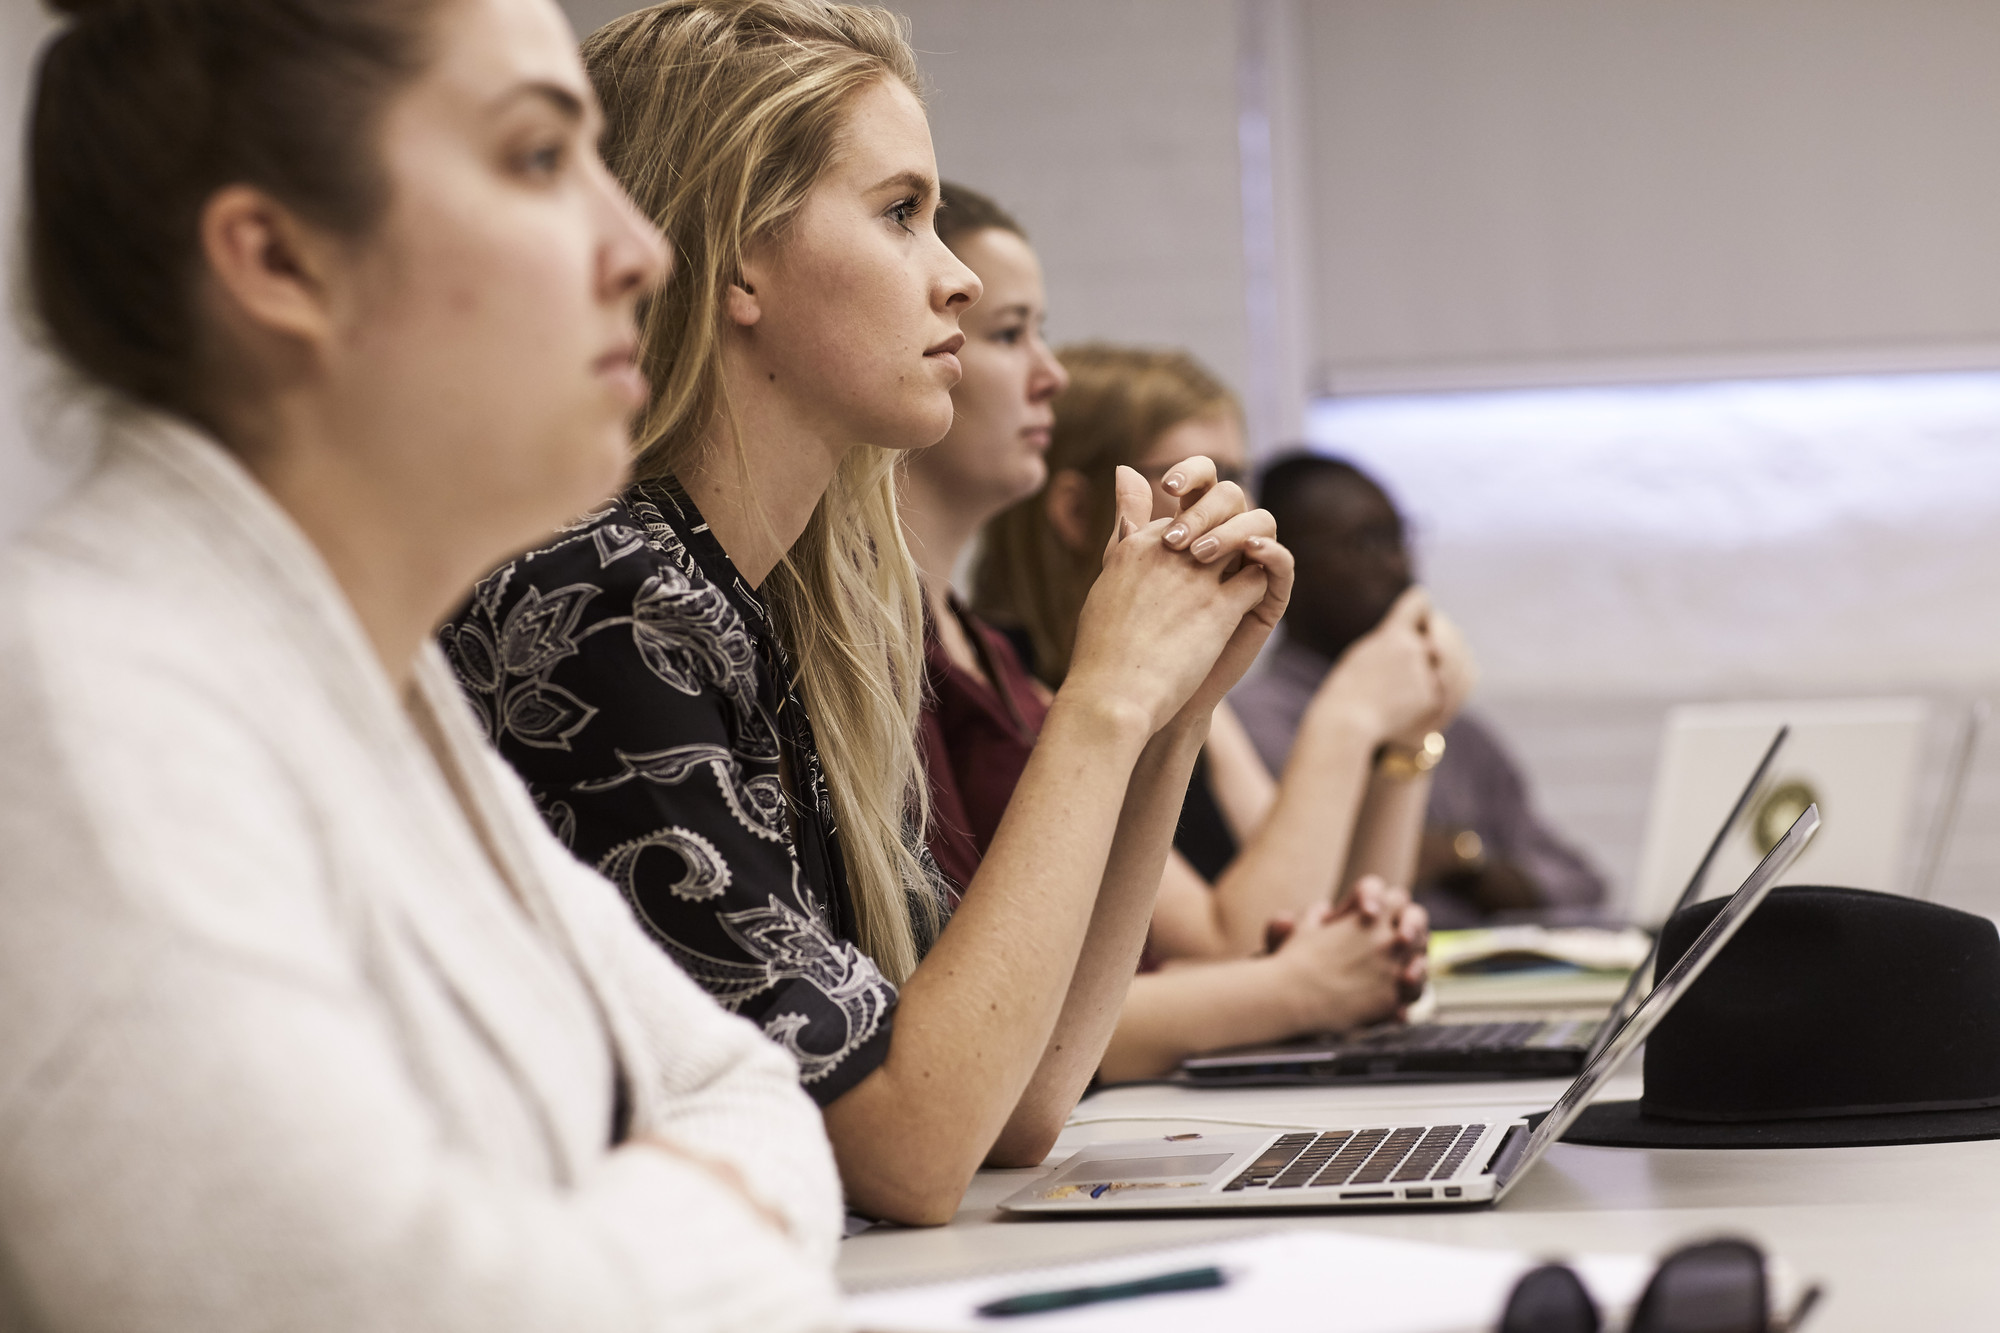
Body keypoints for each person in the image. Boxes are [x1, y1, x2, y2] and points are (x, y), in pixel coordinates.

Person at [2, 0, 852, 1328]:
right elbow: (380, 1305)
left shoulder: (377, 689)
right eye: (533, 158)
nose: (636, 248)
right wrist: (699, 1218)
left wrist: (575, 1244)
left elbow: (746, 1091)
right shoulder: (79, 704)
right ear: (280, 260)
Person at [443, 0, 1293, 1227]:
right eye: (901, 215)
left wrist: (1170, 709)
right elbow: (908, 1148)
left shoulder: (798, 612)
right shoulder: (602, 599)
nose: (952, 278)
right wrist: (1102, 701)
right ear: (735, 259)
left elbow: (1020, 1100)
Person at [905, 188, 1449, 1081]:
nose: (1049, 375)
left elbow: (1295, 926)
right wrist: (1351, 719)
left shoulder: (994, 658)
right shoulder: (1009, 672)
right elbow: (1235, 946)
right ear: (1079, 508)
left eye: (1238, 475)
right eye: (1007, 334)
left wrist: (1401, 748)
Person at [1231, 452, 1607, 924]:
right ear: (1283, 564)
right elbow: (1293, 908)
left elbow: (1580, 883)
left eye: (1400, 536)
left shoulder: (1456, 727)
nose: (1398, 564)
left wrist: (1463, 861)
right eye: (1366, 542)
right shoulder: (1248, 725)